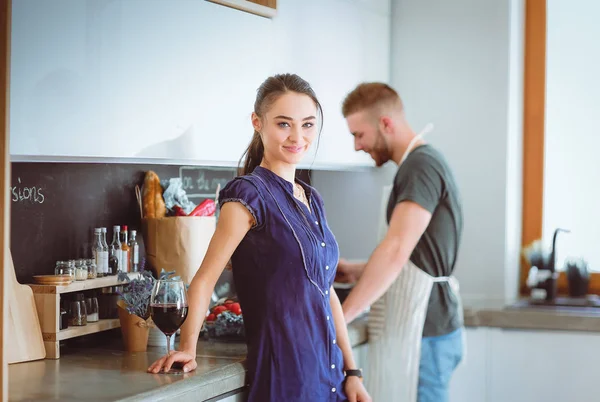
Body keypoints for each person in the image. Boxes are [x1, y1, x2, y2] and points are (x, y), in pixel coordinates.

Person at [148, 73, 371, 402]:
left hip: (330, 377)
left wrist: (352, 373)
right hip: (287, 379)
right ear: (257, 122)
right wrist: (187, 349)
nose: (298, 136)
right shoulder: (248, 195)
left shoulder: (311, 198)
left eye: (308, 124)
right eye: (284, 124)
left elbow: (326, 292)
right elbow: (205, 278)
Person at [336, 82, 464, 402]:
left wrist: (342, 316)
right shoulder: (419, 164)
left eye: (358, 135)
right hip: (432, 327)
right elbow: (421, 255)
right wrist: (355, 271)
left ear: (386, 124)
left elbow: (396, 250)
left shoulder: (420, 166)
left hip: (427, 329)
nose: (356, 146)